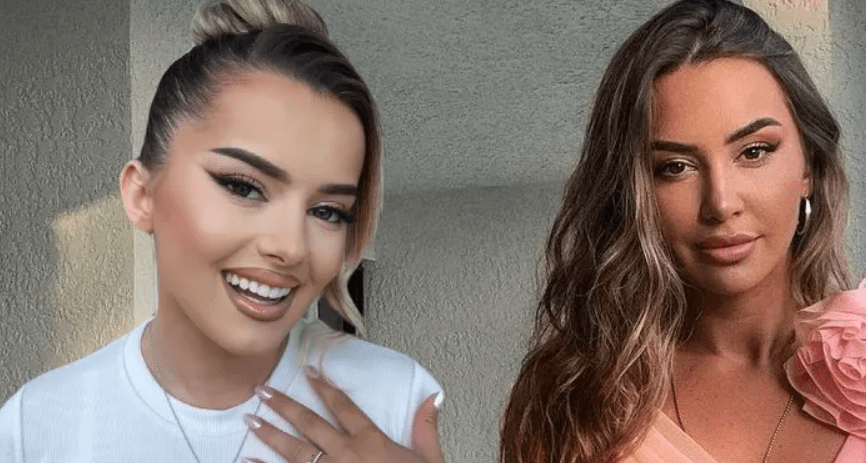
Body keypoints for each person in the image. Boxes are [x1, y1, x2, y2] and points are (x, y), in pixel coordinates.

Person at [0, 1, 445, 462]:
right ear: (142, 195)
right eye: (243, 186)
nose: (291, 247)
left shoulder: (390, 399)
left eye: (328, 211)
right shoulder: (34, 428)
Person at [500, 0, 866, 462]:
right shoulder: (570, 395)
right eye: (675, 167)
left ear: (809, 165)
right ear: (631, 191)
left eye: (754, 152)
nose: (721, 204)